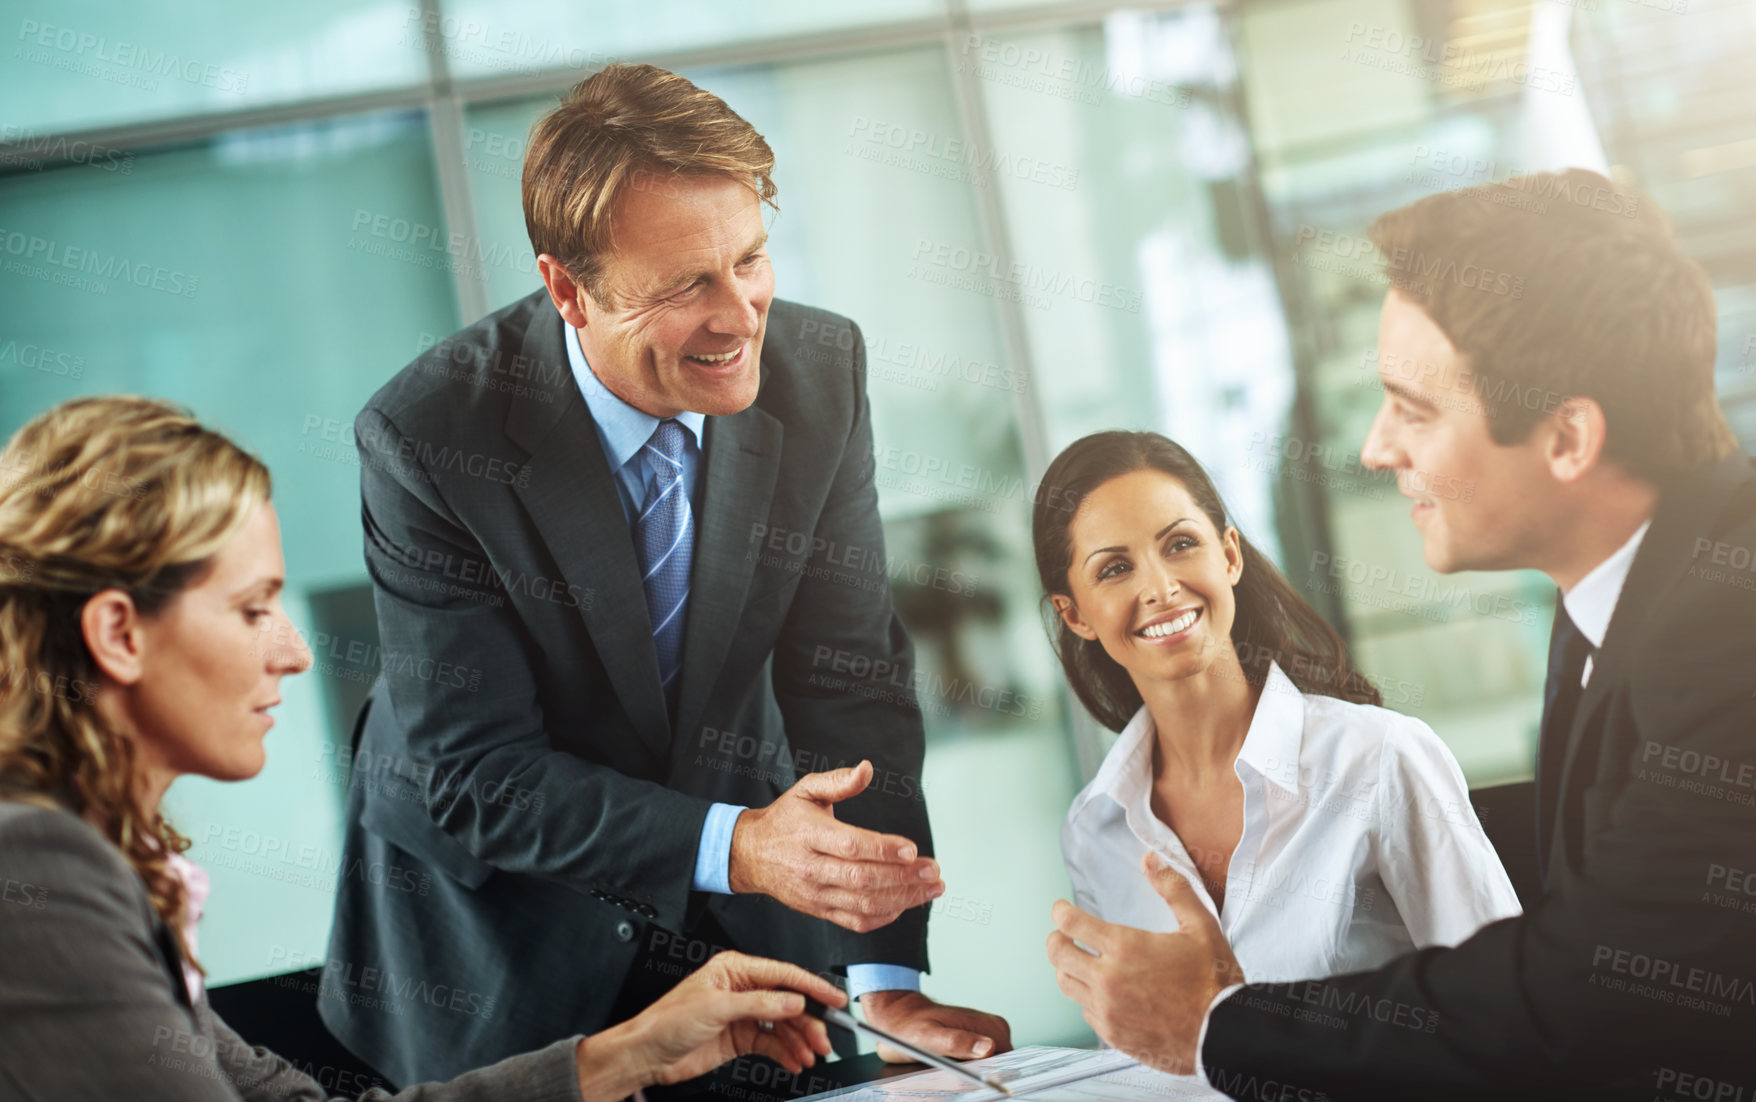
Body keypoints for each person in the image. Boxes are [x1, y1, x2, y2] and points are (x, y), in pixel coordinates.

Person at [1045, 169, 1756, 1098]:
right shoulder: (1616, 606)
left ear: (1569, 439)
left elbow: (1586, 1003)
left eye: (1415, 410)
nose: (1376, 448)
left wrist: (1221, 1026)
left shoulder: (1749, 619)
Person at [319, 61, 1008, 1086]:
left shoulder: (819, 373)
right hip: (503, 936)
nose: (739, 315)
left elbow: (850, 679)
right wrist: (740, 843)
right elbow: (476, 771)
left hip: (740, 911)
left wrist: (884, 972)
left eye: (751, 258)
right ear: (568, 289)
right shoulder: (430, 435)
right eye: (687, 284)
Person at [0, 395, 849, 1101]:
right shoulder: (39, 871)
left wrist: (635, 1051)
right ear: (117, 631)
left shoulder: (102, 860)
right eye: (254, 608)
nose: (295, 652)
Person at [1034, 431, 1518, 1001]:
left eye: (1181, 544)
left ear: (1230, 556)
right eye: (1115, 569)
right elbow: (1131, 1049)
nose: (1161, 588)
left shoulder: (1381, 759)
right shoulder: (1094, 826)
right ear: (1075, 615)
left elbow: (1506, 1010)